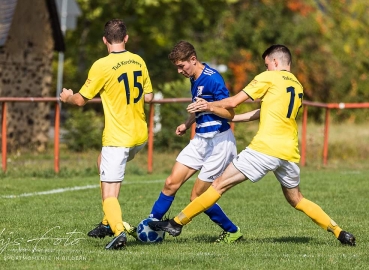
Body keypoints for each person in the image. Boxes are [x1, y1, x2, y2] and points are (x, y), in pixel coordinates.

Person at [148, 44, 356, 246]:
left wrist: (209, 105)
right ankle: (339, 232)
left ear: (275, 62)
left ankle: (176, 223)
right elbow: (265, 112)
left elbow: (232, 102)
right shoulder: (296, 85)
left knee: (218, 185)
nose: (265, 69)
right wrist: (233, 119)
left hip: (264, 149)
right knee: (297, 199)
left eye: (267, 65)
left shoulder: (268, 77)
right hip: (289, 152)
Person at [59, 19, 154, 250]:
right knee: (102, 162)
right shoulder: (138, 60)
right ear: (126, 38)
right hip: (140, 135)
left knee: (109, 190)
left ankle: (118, 231)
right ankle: (106, 222)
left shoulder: (101, 65)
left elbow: (80, 100)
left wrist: (67, 97)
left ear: (104, 40)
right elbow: (149, 97)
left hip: (118, 138)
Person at [148, 40, 243, 243]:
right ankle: (151, 225)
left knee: (197, 197)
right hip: (200, 139)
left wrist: (208, 107)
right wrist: (187, 123)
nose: (180, 71)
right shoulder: (194, 78)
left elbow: (230, 112)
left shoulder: (213, 79)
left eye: (181, 66)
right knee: (171, 183)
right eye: (177, 67)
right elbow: (198, 106)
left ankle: (232, 231)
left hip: (219, 143)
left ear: (193, 59)